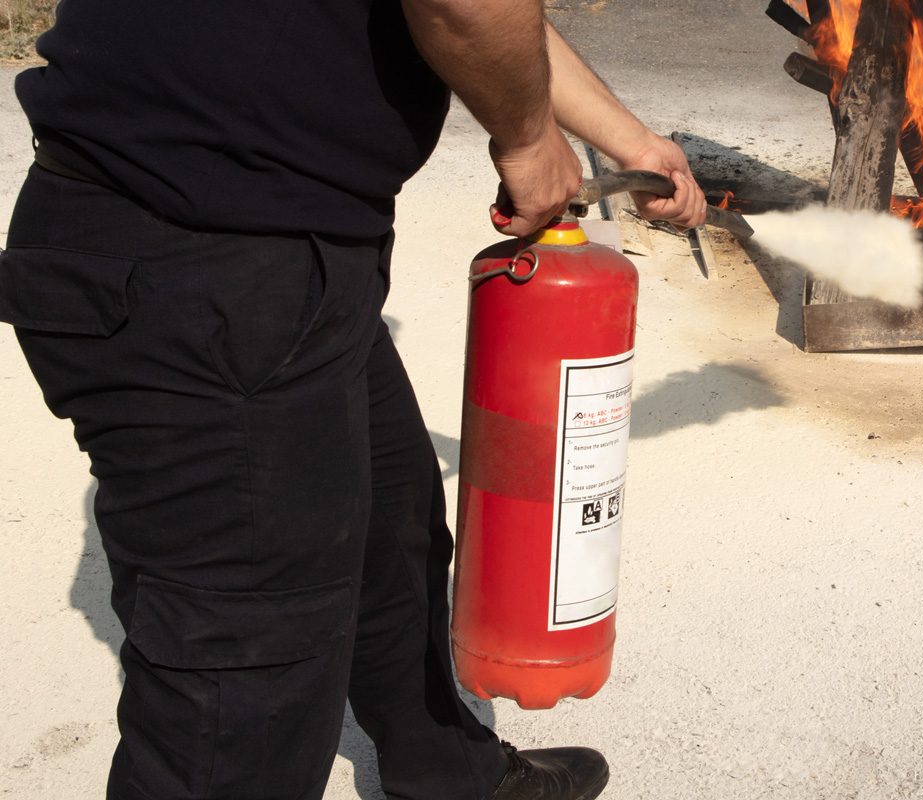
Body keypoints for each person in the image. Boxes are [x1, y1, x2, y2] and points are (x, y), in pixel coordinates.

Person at [0, 1, 706, 799]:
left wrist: (633, 145)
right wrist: (527, 136)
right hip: (199, 254)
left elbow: (504, 16)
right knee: (243, 686)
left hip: (271, 250)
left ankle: (445, 772)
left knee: (391, 529)